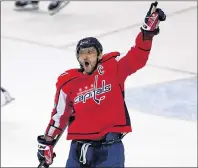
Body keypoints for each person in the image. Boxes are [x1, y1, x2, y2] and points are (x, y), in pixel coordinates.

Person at [37, 1, 166, 167]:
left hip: (110, 149)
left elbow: (137, 57)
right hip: (79, 149)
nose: (86, 56)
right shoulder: (67, 82)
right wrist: (47, 142)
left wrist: (147, 34)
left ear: (99, 55)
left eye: (90, 52)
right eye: (82, 53)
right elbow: (59, 116)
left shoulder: (113, 67)